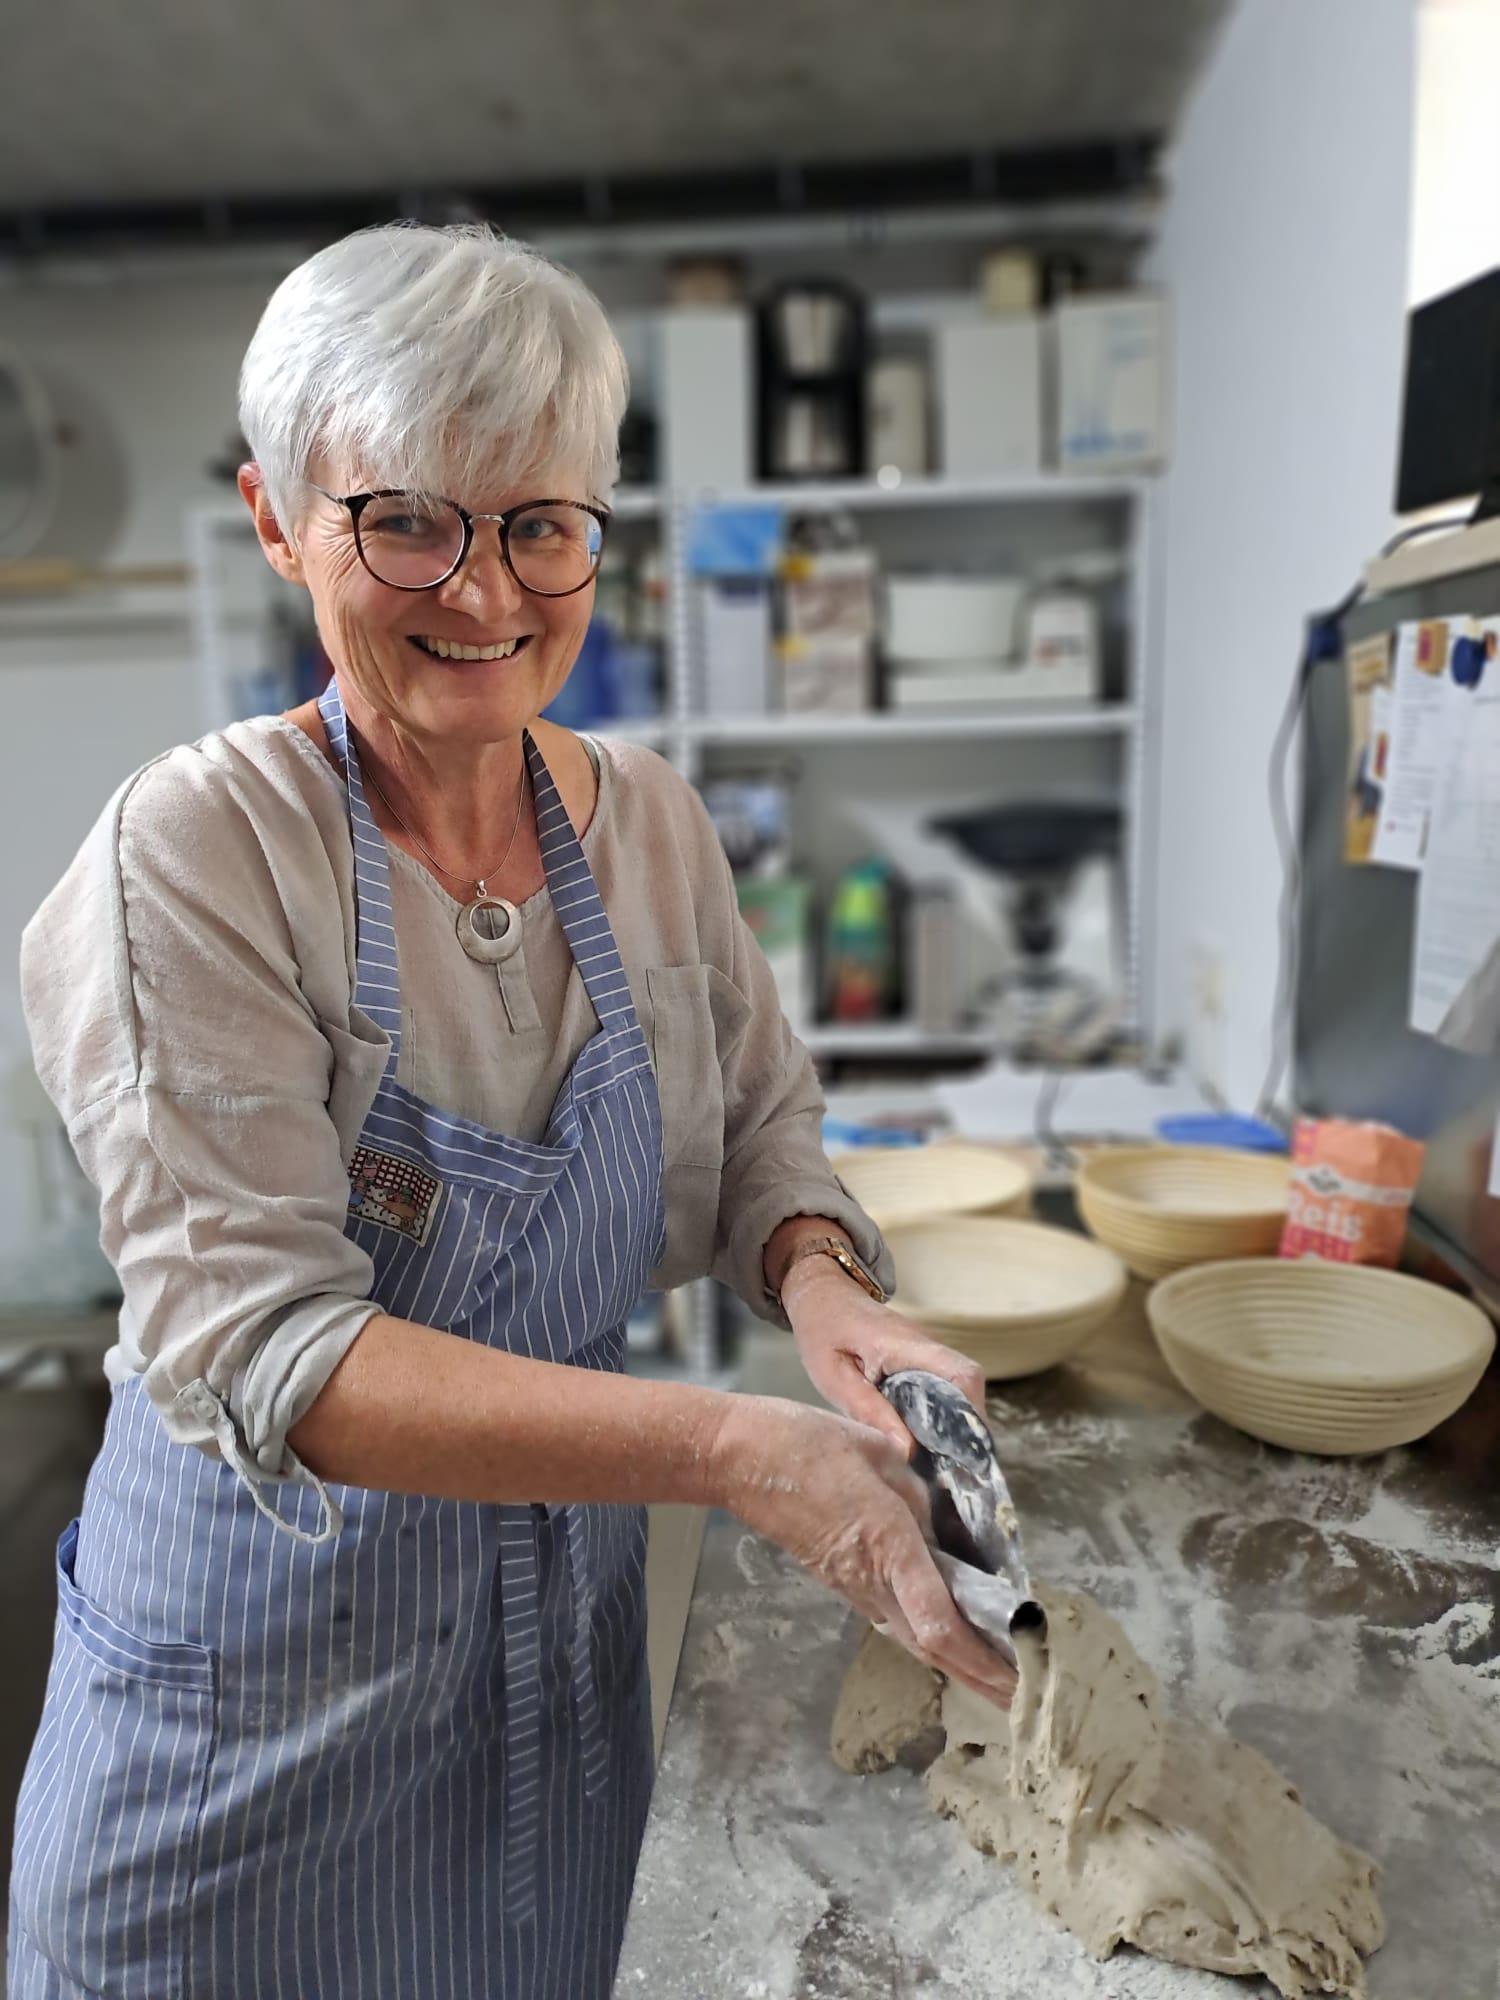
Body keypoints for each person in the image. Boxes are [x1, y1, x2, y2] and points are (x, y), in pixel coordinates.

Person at [9, 222, 1015, 2000]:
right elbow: (274, 1351)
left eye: (540, 524)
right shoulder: (199, 854)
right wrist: (729, 1445)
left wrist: (827, 1288)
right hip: (255, 1724)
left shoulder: (650, 828)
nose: (484, 594)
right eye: (406, 519)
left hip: (552, 1696)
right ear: (278, 519)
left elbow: (767, 1131)